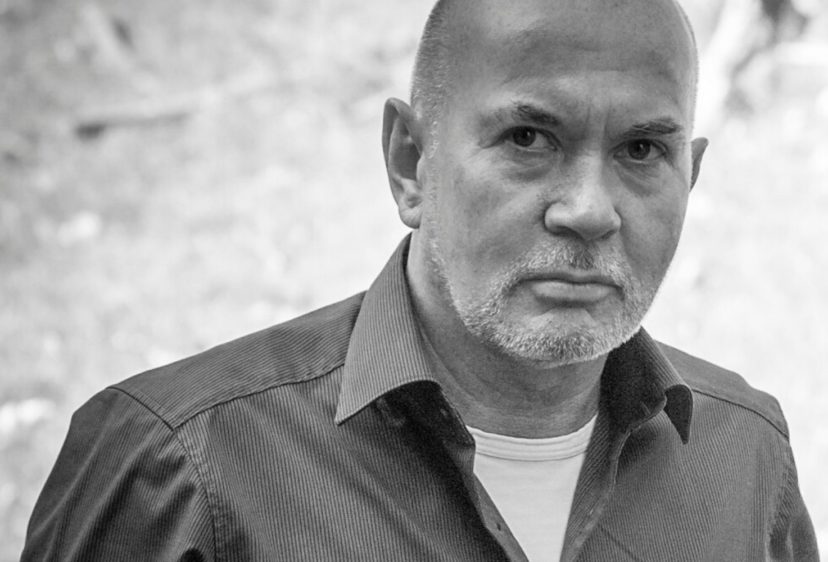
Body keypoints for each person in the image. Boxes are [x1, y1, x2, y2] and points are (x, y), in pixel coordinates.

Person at [22, 0, 818, 560]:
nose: (588, 210)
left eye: (642, 151)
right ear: (410, 162)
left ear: (691, 174)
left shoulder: (742, 457)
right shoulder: (183, 468)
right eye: (529, 137)